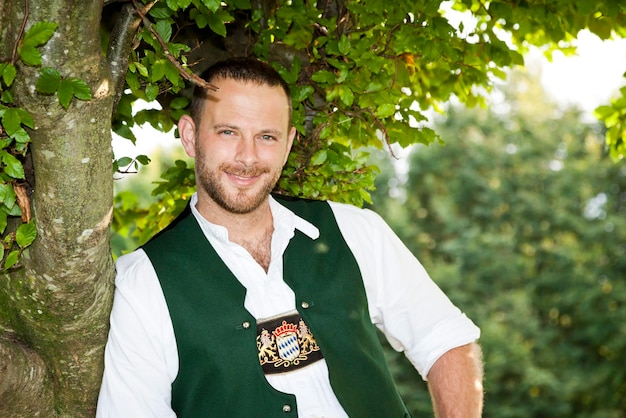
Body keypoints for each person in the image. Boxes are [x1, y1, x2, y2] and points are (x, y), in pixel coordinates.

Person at [96, 57, 483, 418]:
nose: (247, 157)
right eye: (229, 132)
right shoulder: (143, 281)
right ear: (191, 135)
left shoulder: (353, 230)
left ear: (288, 145)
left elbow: (445, 339)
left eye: (266, 137)